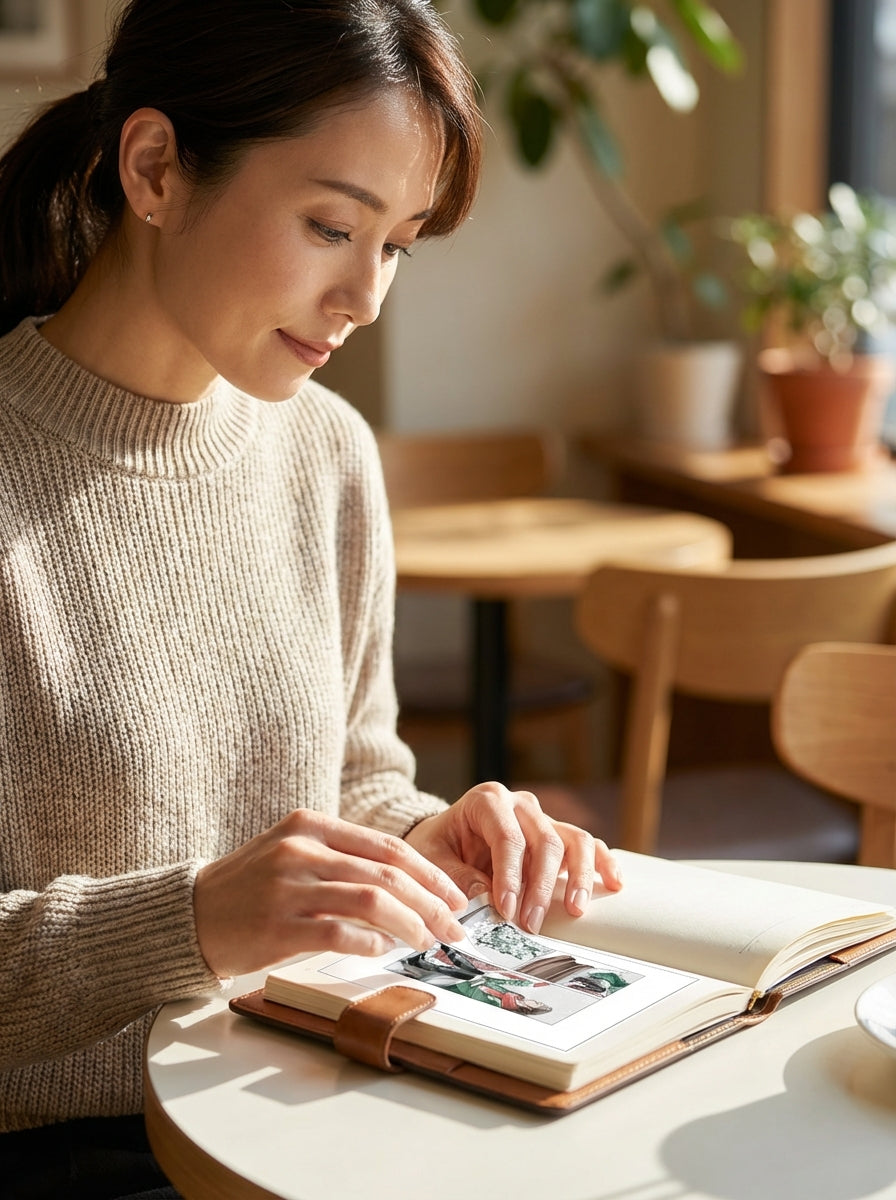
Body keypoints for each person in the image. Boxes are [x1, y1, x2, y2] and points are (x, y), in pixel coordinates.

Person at [0, 0, 621, 1193]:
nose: (366, 296)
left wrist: (427, 840)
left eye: (396, 243)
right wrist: (189, 922)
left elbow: (353, 782)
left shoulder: (326, 453)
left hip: (308, 1095)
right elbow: (215, 904)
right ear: (154, 169)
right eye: (331, 226)